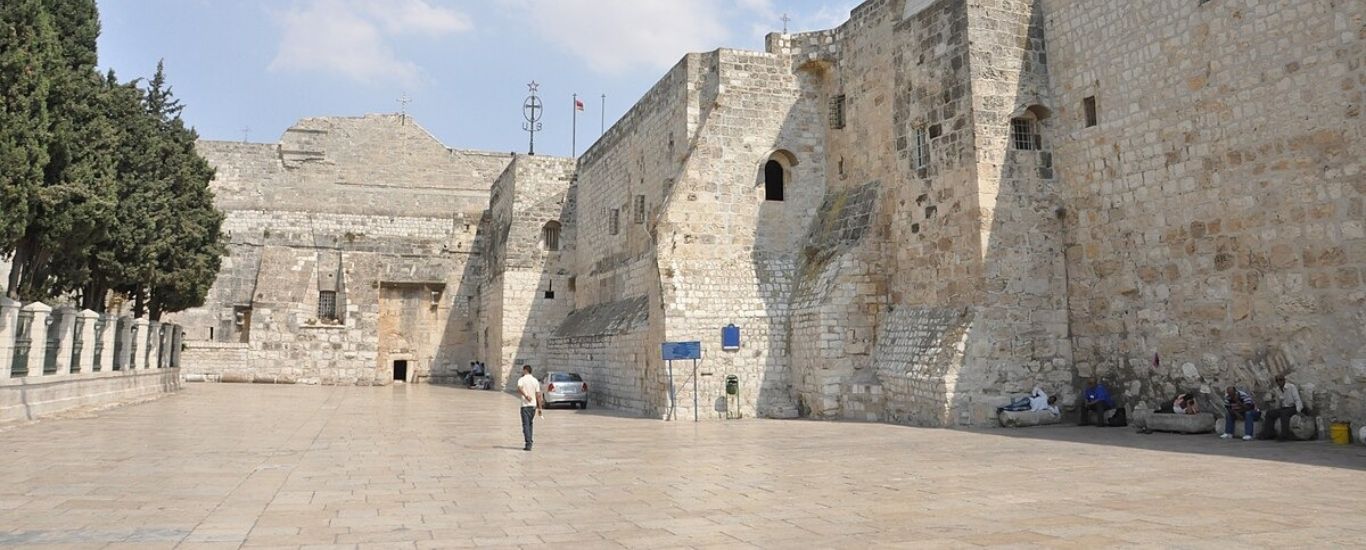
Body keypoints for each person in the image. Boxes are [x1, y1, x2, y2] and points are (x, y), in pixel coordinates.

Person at [1259, 375, 1305, 442]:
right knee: (1269, 413)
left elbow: (1297, 400)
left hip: (1293, 407)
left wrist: (1298, 410)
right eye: (1277, 380)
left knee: (1284, 414)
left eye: (1281, 380)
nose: (1279, 382)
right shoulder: (1277, 390)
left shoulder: (1291, 387)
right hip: (1284, 408)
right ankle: (1269, 433)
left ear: (1284, 380)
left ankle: (1284, 435)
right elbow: (1278, 402)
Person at [516, 365, 542, 451]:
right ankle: (530, 441)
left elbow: (519, 388)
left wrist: (526, 396)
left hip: (525, 405)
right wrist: (540, 408)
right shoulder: (535, 381)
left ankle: (528, 443)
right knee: (530, 424)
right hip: (533, 406)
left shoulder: (521, 379)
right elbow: (538, 395)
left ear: (525, 370)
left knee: (526, 425)